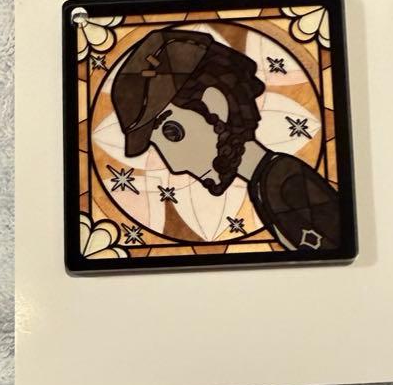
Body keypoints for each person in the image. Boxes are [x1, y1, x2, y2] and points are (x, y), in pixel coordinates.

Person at [110, 28, 344, 253]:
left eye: (173, 133)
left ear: (215, 104)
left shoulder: (284, 180)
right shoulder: (263, 184)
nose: (175, 165)